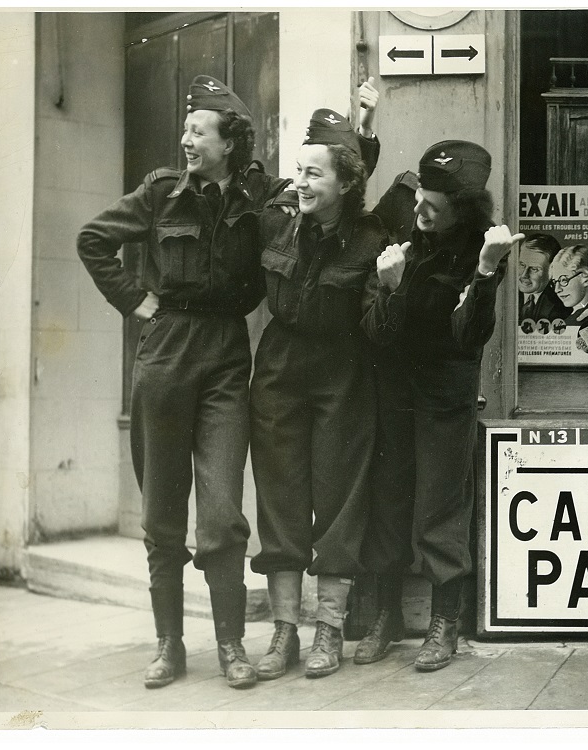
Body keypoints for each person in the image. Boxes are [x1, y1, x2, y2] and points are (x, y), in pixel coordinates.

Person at [76, 75, 379, 692]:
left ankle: (230, 644)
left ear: (229, 141)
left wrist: (363, 129)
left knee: (221, 516)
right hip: (164, 353)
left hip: (225, 356)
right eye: (186, 130)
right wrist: (137, 304)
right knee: (163, 510)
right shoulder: (160, 193)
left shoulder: (259, 195)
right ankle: (169, 644)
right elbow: (93, 240)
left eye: (197, 131)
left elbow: (333, 182)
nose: (186, 140)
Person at [359, 141, 522, 672]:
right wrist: (391, 290)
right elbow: (378, 334)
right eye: (419, 198)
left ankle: (444, 620)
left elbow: (468, 334)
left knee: (440, 507)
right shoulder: (403, 231)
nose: (419, 210)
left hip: (446, 393)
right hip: (393, 389)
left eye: (432, 203)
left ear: (464, 207)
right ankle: (385, 614)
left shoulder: (482, 248)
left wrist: (486, 272)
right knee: (388, 500)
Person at [249, 108, 386, 681]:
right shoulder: (276, 219)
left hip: (342, 372)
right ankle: (285, 629)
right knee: (280, 499)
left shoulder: (372, 237)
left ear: (347, 184)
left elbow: (379, 324)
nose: (299, 184)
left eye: (314, 175)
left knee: (337, 502)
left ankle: (328, 628)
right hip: (279, 368)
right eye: (297, 172)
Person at [517, 233, 572, 323]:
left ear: (552, 271)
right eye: (522, 264)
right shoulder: (507, 296)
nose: (524, 275)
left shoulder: (563, 306)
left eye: (534, 269)